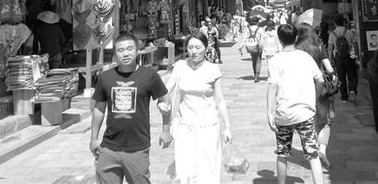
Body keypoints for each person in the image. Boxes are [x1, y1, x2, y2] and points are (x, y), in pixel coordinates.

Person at [90, 33, 172, 184]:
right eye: (120, 50)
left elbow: (166, 101)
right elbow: (99, 109)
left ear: (137, 51)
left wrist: (166, 131)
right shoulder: (105, 77)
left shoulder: (149, 75)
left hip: (138, 148)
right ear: (115, 54)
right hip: (109, 147)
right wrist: (94, 139)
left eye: (130, 49)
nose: (125, 54)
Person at [165, 32, 232, 183]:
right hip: (184, 127)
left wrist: (227, 127)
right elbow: (166, 91)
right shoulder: (180, 67)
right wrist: (162, 102)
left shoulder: (213, 69)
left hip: (208, 127)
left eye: (198, 47)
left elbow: (220, 100)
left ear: (206, 48)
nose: (194, 51)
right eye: (190, 48)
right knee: (184, 171)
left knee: (207, 171)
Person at [267, 24, 324, 184]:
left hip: (284, 113)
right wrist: (314, 99)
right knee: (313, 155)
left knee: (282, 153)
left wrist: (270, 112)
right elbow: (320, 79)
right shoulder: (305, 57)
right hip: (305, 112)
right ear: (296, 37)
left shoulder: (275, 60)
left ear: (279, 40)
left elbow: (272, 87)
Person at [296, 23, 336, 171]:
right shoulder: (319, 46)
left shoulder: (296, 49)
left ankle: (312, 150)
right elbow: (329, 68)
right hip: (320, 88)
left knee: (307, 122)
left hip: (302, 89)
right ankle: (322, 149)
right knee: (324, 121)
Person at [328, 14, 359, 102]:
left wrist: (330, 59)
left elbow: (330, 49)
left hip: (338, 58)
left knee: (341, 77)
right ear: (343, 22)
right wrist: (356, 55)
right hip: (349, 56)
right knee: (352, 74)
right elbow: (355, 45)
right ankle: (352, 90)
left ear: (335, 23)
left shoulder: (332, 34)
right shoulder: (349, 32)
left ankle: (344, 97)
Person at [240, 17, 263, 82]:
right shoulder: (260, 29)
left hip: (250, 46)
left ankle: (255, 74)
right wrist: (262, 45)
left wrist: (241, 46)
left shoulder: (248, 29)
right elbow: (262, 38)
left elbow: (244, 38)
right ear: (257, 22)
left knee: (254, 60)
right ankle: (257, 76)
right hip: (257, 46)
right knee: (258, 61)